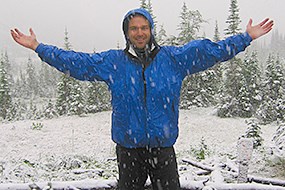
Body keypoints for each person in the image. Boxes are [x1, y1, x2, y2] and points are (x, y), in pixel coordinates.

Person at [11, 8, 273, 190]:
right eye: (134, 28)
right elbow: (77, 62)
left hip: (163, 150)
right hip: (128, 151)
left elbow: (211, 52)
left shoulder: (173, 59)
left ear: (151, 30)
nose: (139, 32)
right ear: (127, 32)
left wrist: (245, 37)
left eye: (144, 27)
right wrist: (38, 47)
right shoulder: (113, 62)